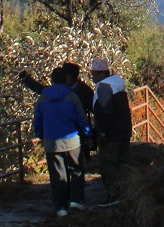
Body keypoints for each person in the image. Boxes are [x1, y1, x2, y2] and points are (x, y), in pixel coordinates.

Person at [32, 65, 89, 216]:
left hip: (52, 142)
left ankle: (61, 207)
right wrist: (87, 134)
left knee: (57, 175)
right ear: (66, 79)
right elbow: (81, 118)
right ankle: (76, 200)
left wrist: (41, 135)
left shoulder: (43, 97)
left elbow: (37, 119)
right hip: (72, 141)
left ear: (51, 80)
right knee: (76, 170)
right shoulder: (72, 96)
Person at [89, 56, 132, 204]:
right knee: (123, 164)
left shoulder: (104, 87)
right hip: (124, 131)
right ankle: (127, 193)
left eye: (93, 74)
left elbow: (106, 111)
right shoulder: (118, 85)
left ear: (101, 73)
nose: (92, 77)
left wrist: (102, 132)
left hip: (111, 135)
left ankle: (114, 195)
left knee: (109, 165)